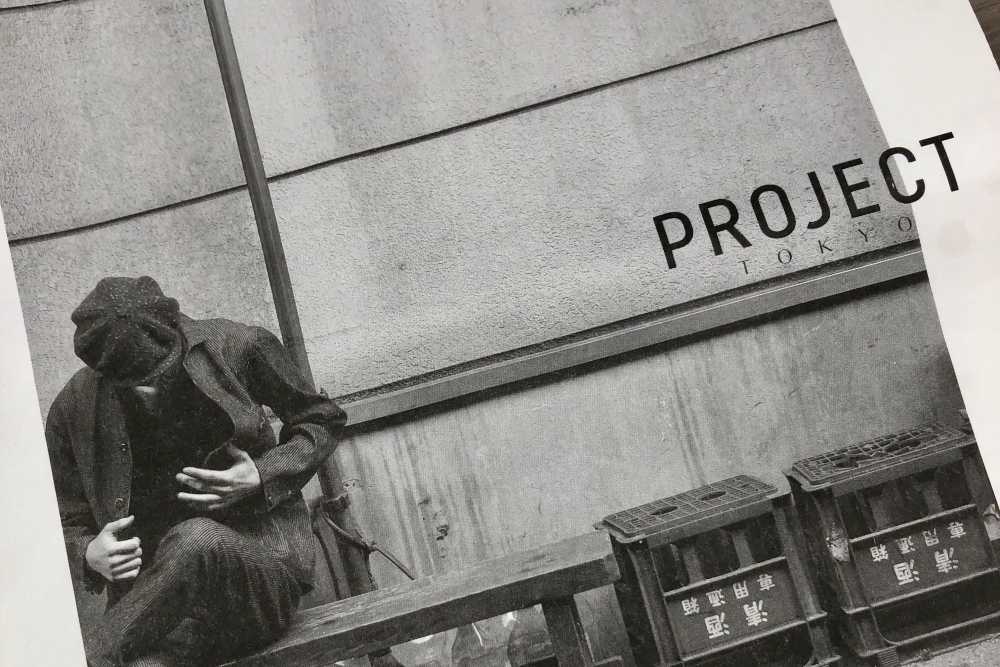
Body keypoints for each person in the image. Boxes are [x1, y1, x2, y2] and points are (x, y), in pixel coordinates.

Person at [45, 276, 348, 667]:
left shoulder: (240, 346)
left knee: (196, 538)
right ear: (103, 371)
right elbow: (63, 520)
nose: (150, 392)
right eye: (134, 386)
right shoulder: (71, 408)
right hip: (158, 619)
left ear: (175, 332)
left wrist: (261, 473)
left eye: (159, 375)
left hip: (254, 591)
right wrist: (87, 553)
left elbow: (322, 420)